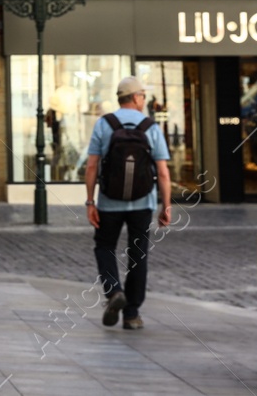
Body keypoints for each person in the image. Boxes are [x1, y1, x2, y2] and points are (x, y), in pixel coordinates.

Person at [84, 76, 172, 331]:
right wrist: (165, 205)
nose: (144, 100)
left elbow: (91, 166)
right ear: (135, 97)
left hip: (109, 202)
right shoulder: (150, 127)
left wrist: (90, 202)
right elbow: (163, 172)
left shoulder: (105, 124)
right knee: (138, 254)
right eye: (143, 96)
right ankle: (132, 314)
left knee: (104, 246)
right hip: (142, 203)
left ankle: (113, 291)